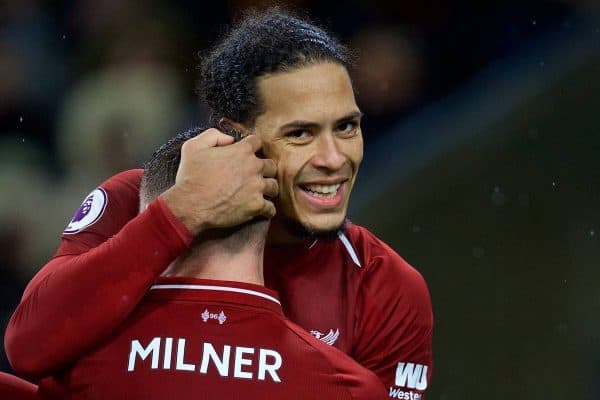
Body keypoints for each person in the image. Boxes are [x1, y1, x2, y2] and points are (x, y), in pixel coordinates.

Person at [5, 9, 433, 399]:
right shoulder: (136, 198)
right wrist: (180, 214)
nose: (335, 159)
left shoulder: (386, 287)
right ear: (236, 137)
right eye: (300, 133)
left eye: (346, 127)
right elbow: (29, 346)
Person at [34, 129, 387, 399]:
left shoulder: (78, 360)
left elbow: (25, 343)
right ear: (269, 215)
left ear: (147, 213)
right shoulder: (347, 389)